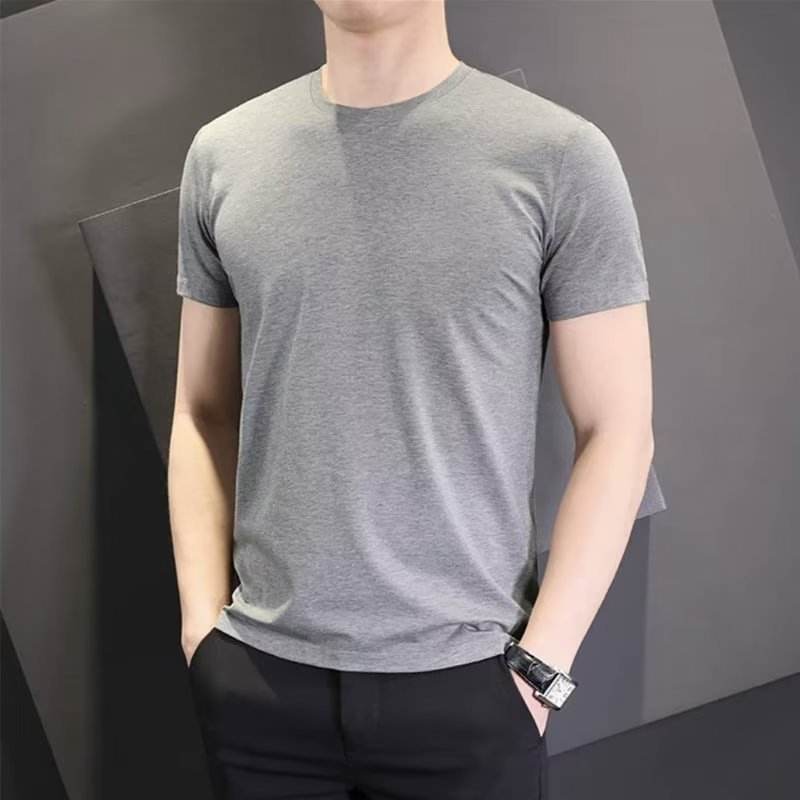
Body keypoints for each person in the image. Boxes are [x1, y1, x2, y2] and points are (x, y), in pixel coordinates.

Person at [167, 1, 654, 798]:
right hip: (259, 686)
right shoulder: (225, 155)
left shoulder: (558, 157)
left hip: (469, 690)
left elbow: (619, 430)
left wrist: (542, 668)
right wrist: (202, 629)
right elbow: (200, 410)